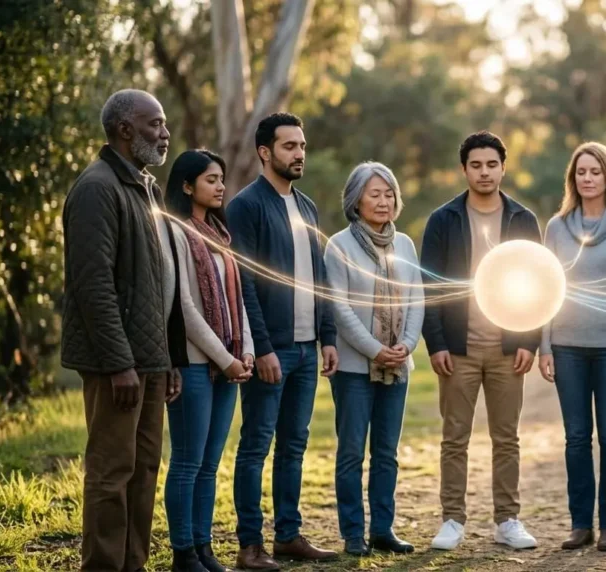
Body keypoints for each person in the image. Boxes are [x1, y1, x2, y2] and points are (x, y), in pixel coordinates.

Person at [62, 88, 186, 572]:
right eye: (154, 123)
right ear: (124, 129)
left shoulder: (145, 187)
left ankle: (133, 564)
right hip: (116, 365)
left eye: (164, 122)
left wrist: (167, 358)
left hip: (149, 363)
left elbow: (157, 283)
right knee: (111, 475)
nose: (165, 132)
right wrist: (120, 364)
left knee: (143, 472)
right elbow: (93, 287)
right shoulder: (97, 188)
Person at [226, 112, 339, 570]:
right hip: (272, 351)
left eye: (302, 146)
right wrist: (264, 347)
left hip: (307, 348)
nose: (299, 154)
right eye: (289, 146)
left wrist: (327, 336)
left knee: (295, 444)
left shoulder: (307, 207)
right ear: (265, 152)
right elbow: (245, 283)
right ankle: (250, 546)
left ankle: (288, 536)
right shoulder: (246, 206)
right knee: (256, 445)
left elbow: (322, 278)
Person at [421, 131, 543, 551]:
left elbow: (541, 283)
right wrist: (435, 342)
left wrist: (529, 339)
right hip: (458, 348)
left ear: (503, 168)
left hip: (509, 349)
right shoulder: (444, 220)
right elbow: (430, 286)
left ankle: (507, 520)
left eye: (492, 164)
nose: (485, 172)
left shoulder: (523, 220)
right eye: (476, 165)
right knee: (454, 437)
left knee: (506, 437)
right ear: (465, 169)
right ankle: (452, 519)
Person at [537, 142, 606, 552]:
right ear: (572, 178)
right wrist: (545, 344)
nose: (587, 178)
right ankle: (581, 524)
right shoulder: (556, 227)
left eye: (595, 171)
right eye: (581, 171)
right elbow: (545, 288)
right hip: (567, 347)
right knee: (576, 437)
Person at [323, 162, 424, 557]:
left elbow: (416, 297)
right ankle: (353, 533)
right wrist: (374, 349)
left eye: (389, 194)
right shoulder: (339, 246)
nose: (383, 201)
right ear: (356, 200)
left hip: (398, 365)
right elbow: (340, 309)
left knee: (386, 453)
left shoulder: (407, 245)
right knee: (351, 452)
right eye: (374, 194)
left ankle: (383, 529)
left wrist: (408, 344)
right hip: (353, 367)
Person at [162, 150, 255, 572]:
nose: (220, 186)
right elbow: (184, 307)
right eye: (210, 179)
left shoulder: (220, 234)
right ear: (186, 186)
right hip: (195, 362)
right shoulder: (177, 232)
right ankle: (183, 553)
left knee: (209, 464)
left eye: (221, 179)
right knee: (187, 462)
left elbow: (237, 302)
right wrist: (225, 357)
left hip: (228, 363)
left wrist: (246, 351)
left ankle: (203, 549)